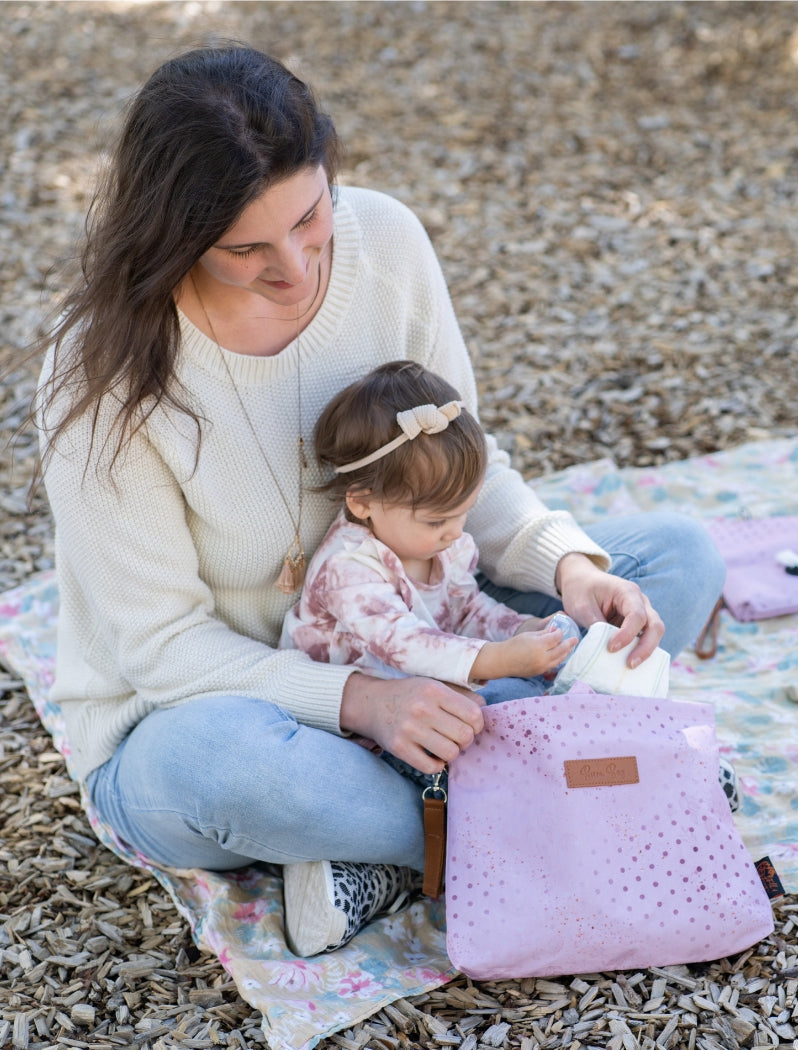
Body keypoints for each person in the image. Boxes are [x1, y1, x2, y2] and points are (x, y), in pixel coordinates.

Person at [33, 44, 726, 957]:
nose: (295, 267)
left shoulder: (386, 243)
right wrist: (363, 701)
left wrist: (567, 565)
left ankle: (403, 848)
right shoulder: (103, 379)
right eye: (246, 249)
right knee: (222, 768)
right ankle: (574, 792)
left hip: (422, 631)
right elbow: (165, 653)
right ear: (174, 239)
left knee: (676, 559)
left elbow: (460, 476)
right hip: (223, 712)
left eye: (310, 218)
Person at [281, 360, 582, 707]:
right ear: (363, 503)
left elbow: (466, 609)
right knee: (510, 699)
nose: (455, 532)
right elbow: (405, 644)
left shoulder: (440, 546)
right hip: (357, 711)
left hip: (422, 686)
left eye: (463, 512)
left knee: (547, 672)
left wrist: (519, 630)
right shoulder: (347, 569)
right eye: (437, 521)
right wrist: (501, 658)